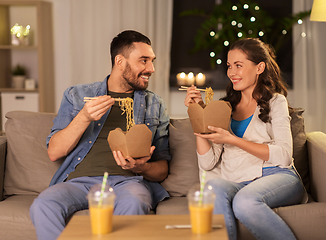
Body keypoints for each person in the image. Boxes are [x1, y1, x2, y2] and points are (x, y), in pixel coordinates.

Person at [30, 30, 171, 240]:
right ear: (120, 61)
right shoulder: (76, 95)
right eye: (143, 61)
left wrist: (141, 167)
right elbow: (54, 152)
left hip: (127, 183)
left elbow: (162, 171)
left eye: (152, 61)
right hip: (78, 183)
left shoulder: (154, 104)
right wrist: (84, 117)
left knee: (136, 202)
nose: (151, 68)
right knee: (43, 204)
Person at [184, 38, 306, 240]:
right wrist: (197, 114)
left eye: (239, 66)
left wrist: (233, 139)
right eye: (230, 66)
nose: (232, 72)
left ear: (259, 68)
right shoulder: (225, 107)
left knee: (244, 201)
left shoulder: (276, 101)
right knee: (213, 189)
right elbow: (208, 162)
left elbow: (284, 156)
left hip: (278, 176)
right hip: (238, 180)